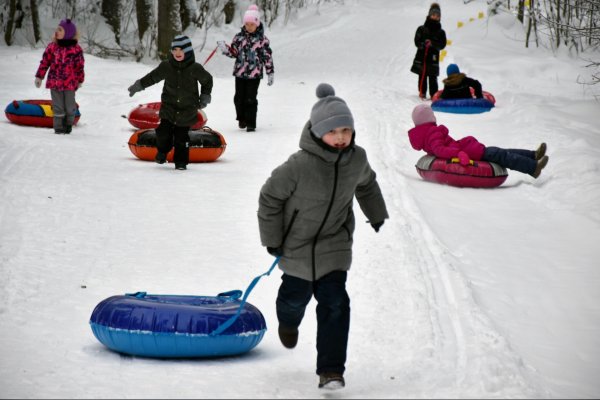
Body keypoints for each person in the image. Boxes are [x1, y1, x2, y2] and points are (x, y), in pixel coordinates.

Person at [257, 83, 389, 390]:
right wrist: (272, 238)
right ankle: (288, 322)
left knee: (336, 304)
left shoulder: (357, 159)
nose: (341, 137)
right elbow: (270, 198)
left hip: (334, 244)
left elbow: (367, 184)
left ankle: (331, 370)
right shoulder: (299, 165)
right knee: (293, 300)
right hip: (296, 246)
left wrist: (376, 213)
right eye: (333, 131)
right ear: (317, 132)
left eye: (346, 129)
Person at [128, 35, 213, 170]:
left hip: (187, 109)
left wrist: (205, 95)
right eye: (175, 50)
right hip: (169, 108)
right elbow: (152, 77)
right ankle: (162, 151)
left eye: (181, 50)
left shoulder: (195, 68)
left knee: (181, 138)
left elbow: (207, 80)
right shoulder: (166, 66)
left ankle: (181, 162)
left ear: (188, 51)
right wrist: (139, 85)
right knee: (163, 132)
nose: (177, 53)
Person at [409, 104, 549, 178]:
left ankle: (533, 155)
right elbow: (440, 149)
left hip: (469, 149)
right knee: (501, 155)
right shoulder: (432, 132)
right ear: (428, 118)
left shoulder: (427, 133)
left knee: (501, 152)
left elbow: (438, 148)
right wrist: (458, 153)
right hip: (468, 152)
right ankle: (533, 168)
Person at [217, 4, 274, 132]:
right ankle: (242, 118)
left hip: (254, 75)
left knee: (250, 99)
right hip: (240, 73)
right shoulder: (239, 38)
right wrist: (225, 49)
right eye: (247, 24)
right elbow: (234, 53)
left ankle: (251, 123)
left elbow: (267, 57)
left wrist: (270, 72)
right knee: (238, 98)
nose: (249, 27)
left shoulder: (262, 40)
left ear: (257, 24)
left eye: (252, 24)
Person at [34, 19, 85, 134]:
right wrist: (39, 77)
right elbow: (45, 62)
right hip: (55, 82)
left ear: (68, 33)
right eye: (57, 29)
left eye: (60, 30)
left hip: (70, 83)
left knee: (69, 106)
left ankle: (68, 124)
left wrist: (80, 80)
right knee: (58, 106)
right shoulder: (52, 47)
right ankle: (58, 127)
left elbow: (79, 66)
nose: (56, 31)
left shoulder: (76, 49)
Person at [410, 3, 447, 99]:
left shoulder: (441, 32)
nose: (435, 17)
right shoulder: (421, 29)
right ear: (429, 15)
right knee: (422, 74)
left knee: (432, 76)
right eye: (433, 15)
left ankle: (433, 94)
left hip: (433, 57)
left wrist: (433, 44)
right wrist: (423, 44)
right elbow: (416, 41)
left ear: (439, 17)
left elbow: (442, 44)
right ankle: (422, 92)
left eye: (437, 16)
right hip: (422, 56)